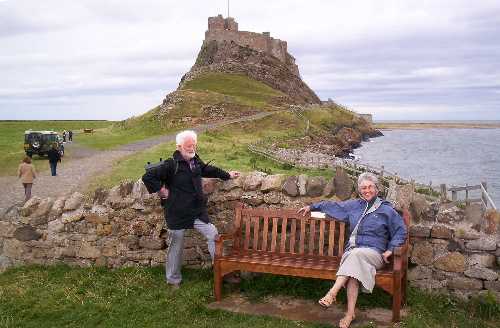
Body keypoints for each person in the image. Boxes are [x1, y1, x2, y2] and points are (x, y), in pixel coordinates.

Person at [298, 172, 407, 328]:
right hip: (354, 253)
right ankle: (350, 314)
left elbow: (400, 230)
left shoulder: (386, 210)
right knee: (353, 270)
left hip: (375, 254)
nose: (367, 190)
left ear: (376, 189)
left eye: (370, 187)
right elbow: (332, 206)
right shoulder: (353, 206)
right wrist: (312, 206)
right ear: (359, 190)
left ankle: (332, 293)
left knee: (354, 256)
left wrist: (390, 249)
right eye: (363, 188)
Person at [142, 130, 240, 288]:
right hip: (177, 212)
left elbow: (209, 170)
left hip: (196, 211)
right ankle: (173, 280)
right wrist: (161, 190)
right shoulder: (170, 164)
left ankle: (221, 271)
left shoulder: (195, 161)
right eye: (188, 145)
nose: (192, 148)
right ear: (179, 146)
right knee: (176, 244)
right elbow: (148, 177)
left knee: (213, 235)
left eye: (194, 145)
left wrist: (227, 174)